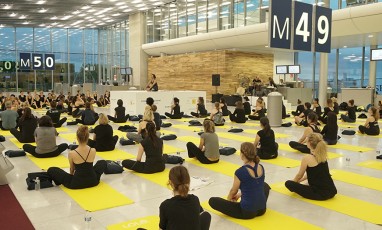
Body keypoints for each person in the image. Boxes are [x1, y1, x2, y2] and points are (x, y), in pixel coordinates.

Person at [209, 142, 270, 219]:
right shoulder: (261, 167)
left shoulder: (240, 172)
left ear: (242, 154)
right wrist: (240, 195)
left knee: (213, 201)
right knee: (263, 185)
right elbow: (252, 185)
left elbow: (233, 191)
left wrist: (229, 201)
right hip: (262, 209)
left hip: (247, 212)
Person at [285, 133, 337, 200]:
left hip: (320, 193)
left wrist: (294, 182)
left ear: (309, 143)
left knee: (288, 183)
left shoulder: (307, 158)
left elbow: (299, 175)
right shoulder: (323, 155)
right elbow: (315, 172)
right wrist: (300, 181)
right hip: (331, 190)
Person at [160, 166, 211, 230]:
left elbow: (161, 228)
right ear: (188, 181)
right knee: (206, 215)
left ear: (170, 183)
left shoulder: (165, 205)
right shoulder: (195, 199)